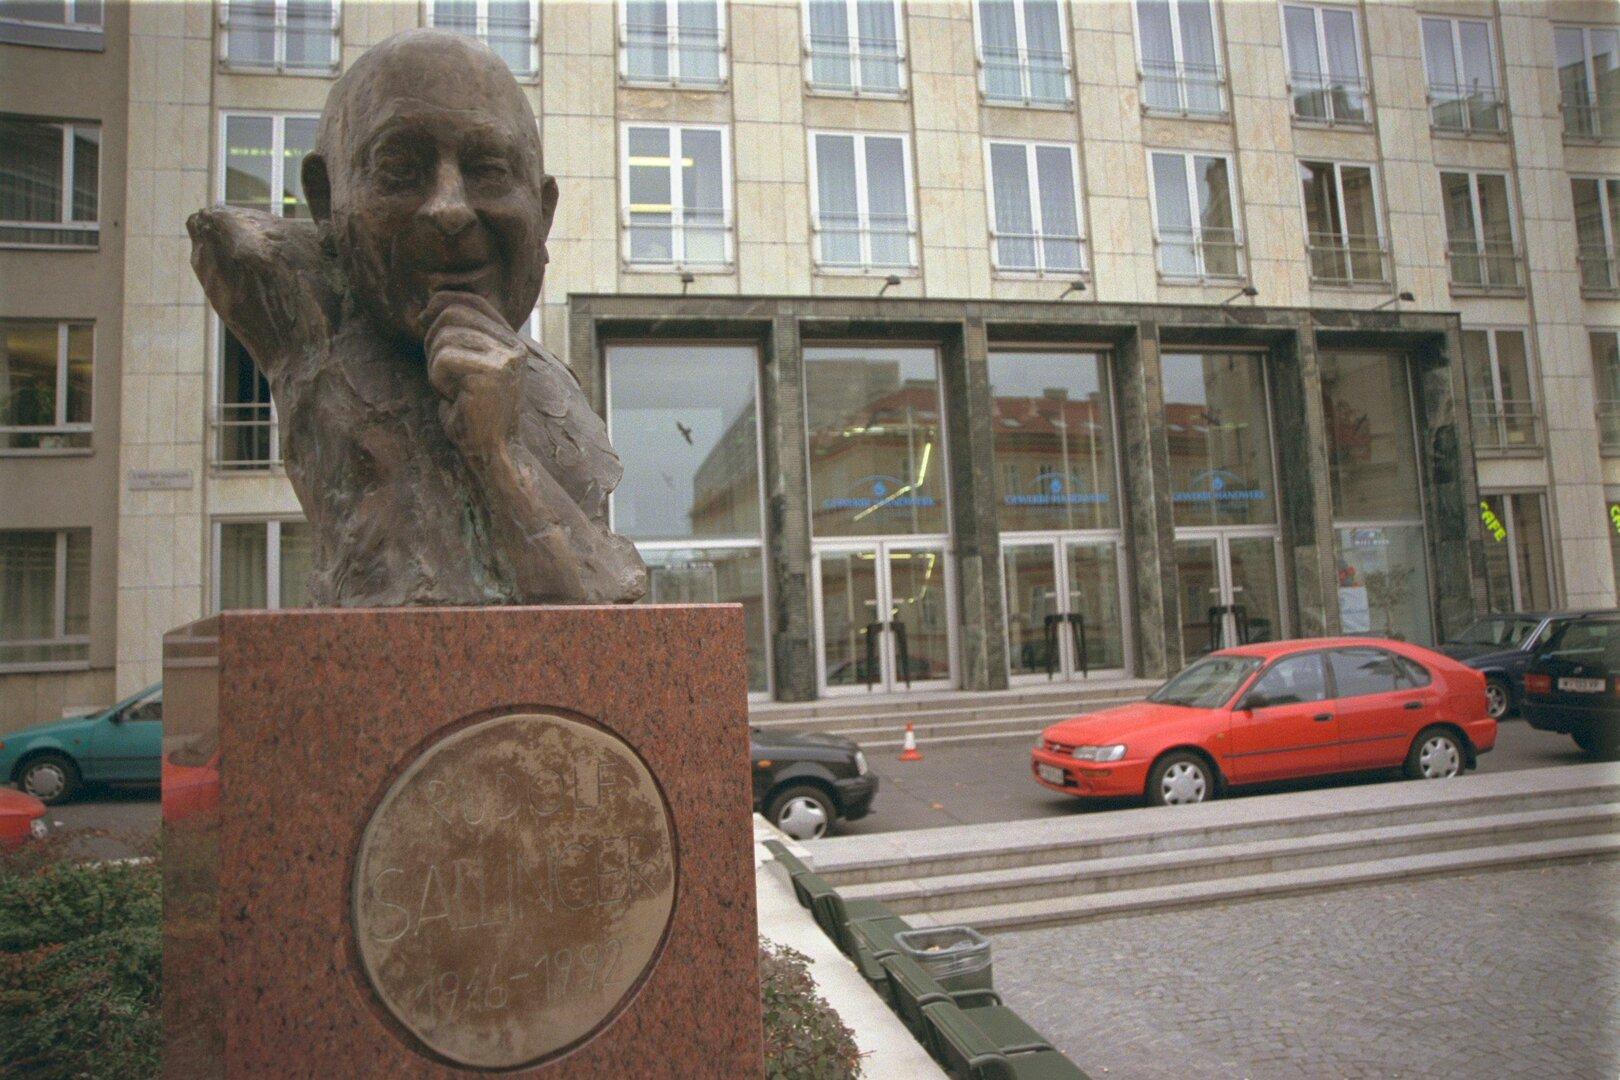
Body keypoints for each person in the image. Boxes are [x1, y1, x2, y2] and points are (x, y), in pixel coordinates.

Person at [188, 29, 646, 607]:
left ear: (543, 209)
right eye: (400, 169)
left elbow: (598, 606)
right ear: (325, 200)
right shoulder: (295, 319)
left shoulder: (552, 385)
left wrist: (498, 455)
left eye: (489, 170)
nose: (450, 209)